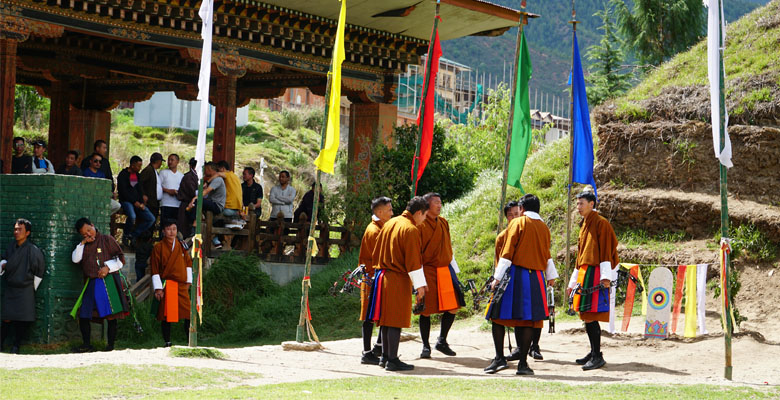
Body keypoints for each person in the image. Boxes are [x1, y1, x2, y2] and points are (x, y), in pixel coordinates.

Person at [485, 194, 558, 375]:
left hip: (516, 275)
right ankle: (523, 364)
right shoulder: (544, 228)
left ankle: (499, 359)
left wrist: (496, 277)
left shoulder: (517, 223)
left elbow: (507, 253)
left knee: (497, 316)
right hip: (537, 279)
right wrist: (551, 275)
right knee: (526, 321)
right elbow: (546, 254)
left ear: (522, 209)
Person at [366, 196, 429, 372]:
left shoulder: (391, 223)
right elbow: (413, 261)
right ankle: (392, 359)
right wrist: (420, 286)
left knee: (386, 320)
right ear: (418, 213)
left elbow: (376, 252)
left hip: (382, 276)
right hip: (396, 278)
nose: (424, 221)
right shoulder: (410, 229)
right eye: (425, 216)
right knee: (395, 320)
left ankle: (385, 357)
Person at [566, 190, 619, 371]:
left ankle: (597, 355)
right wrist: (573, 281)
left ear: (592, 204)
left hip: (595, 273)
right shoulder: (585, 223)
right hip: (585, 272)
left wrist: (606, 277)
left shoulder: (601, 224)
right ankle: (593, 351)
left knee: (591, 315)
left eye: (582, 203)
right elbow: (580, 255)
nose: (578, 207)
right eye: (578, 203)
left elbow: (605, 250)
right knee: (585, 315)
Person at [417, 192, 465, 359]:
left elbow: (448, 248)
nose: (439, 205)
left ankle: (442, 340)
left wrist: (455, 271)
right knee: (425, 309)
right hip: (427, 269)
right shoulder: (420, 225)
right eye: (436, 202)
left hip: (445, 268)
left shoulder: (444, 222)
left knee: (453, 306)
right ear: (427, 205)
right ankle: (425, 345)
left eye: (440, 202)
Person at [70, 218, 128, 352]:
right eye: (84, 234)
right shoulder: (83, 245)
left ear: (93, 225)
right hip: (91, 282)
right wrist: (83, 243)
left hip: (108, 282)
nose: (88, 235)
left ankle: (110, 346)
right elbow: (75, 259)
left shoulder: (107, 239)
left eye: (89, 231)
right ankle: (86, 345)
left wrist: (108, 267)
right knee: (84, 314)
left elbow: (120, 259)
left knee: (111, 315)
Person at [0, 219, 46, 354]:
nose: (16, 232)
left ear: (27, 233)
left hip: (26, 288)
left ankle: (16, 346)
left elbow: (39, 270)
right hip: (11, 287)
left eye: (20, 229)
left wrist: (32, 288)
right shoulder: (11, 247)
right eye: (15, 229)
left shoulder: (33, 250)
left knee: (22, 319)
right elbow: (4, 260)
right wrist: (3, 264)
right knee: (6, 318)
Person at [357, 196, 392, 365]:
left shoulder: (382, 227)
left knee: (380, 311)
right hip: (371, 276)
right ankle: (366, 352)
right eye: (389, 210)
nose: (392, 213)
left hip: (377, 276)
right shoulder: (374, 231)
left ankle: (378, 346)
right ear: (379, 212)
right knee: (369, 315)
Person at [150, 221, 193, 347]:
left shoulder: (182, 246)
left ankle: (189, 340)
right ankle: (167, 341)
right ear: (163, 231)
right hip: (167, 285)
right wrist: (158, 288)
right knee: (167, 315)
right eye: (169, 229)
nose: (172, 232)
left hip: (181, 284)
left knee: (188, 313)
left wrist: (188, 281)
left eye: (174, 229)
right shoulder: (158, 247)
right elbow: (155, 268)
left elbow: (188, 263)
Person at [117, 156, 155, 247]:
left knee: (151, 219)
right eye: (138, 166)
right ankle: (125, 235)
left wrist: (141, 201)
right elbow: (124, 192)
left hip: (137, 202)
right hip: (126, 201)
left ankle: (133, 235)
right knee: (132, 216)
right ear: (132, 165)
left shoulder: (136, 175)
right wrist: (135, 202)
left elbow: (139, 190)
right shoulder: (123, 174)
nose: (140, 168)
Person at [186, 162, 226, 248]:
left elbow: (206, 191)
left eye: (205, 169)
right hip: (212, 203)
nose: (204, 172)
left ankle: (194, 226)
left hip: (217, 205)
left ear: (209, 169)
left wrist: (194, 198)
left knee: (197, 202)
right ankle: (195, 224)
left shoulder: (218, 180)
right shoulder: (213, 179)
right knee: (198, 203)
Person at [139, 152, 164, 230]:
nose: (161, 164)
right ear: (158, 161)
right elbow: (140, 183)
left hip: (154, 202)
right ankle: (143, 239)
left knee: (152, 223)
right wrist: (143, 194)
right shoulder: (148, 170)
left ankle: (148, 239)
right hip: (149, 202)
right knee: (149, 222)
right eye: (161, 162)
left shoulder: (154, 171)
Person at [159, 154, 184, 228]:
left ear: (177, 162)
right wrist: (168, 191)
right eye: (169, 160)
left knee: (174, 226)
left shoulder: (181, 176)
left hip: (177, 204)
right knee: (165, 226)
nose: (170, 162)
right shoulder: (163, 172)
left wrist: (178, 193)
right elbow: (158, 187)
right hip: (166, 203)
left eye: (172, 160)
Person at [177, 158, 198, 238]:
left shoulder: (196, 176)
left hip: (192, 205)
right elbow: (193, 192)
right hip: (186, 204)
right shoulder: (188, 177)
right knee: (184, 230)